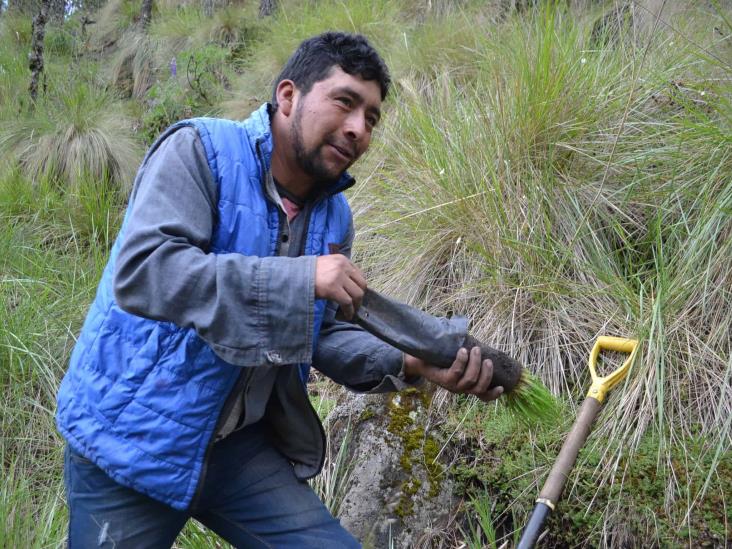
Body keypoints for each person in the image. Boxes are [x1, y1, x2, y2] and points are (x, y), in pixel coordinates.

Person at [56, 31, 503, 548]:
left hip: (236, 447)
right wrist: (301, 277)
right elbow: (145, 272)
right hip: (131, 438)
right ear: (288, 96)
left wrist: (412, 364)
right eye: (345, 103)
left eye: (372, 117)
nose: (358, 129)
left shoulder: (334, 216)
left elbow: (321, 336)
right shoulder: (199, 151)